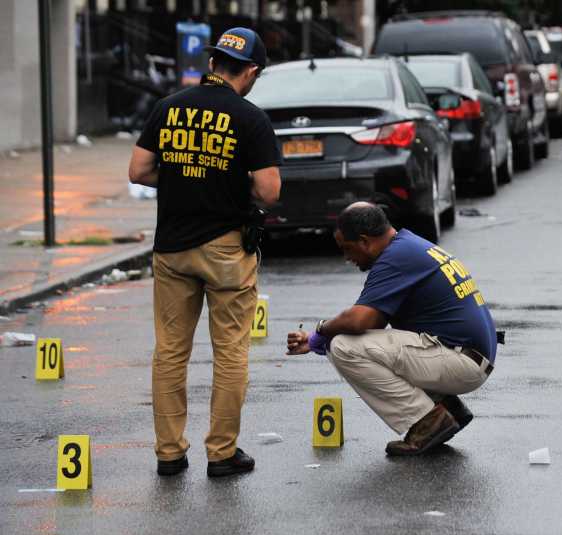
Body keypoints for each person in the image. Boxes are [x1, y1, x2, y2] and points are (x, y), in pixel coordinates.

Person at [128, 27, 282, 477]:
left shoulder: (168, 107)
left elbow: (139, 171)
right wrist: (228, 181)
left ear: (213, 63)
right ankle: (221, 452)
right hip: (225, 249)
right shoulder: (250, 118)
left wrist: (182, 177)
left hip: (172, 249)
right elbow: (269, 192)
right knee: (230, 351)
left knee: (170, 352)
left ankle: (169, 453)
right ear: (250, 72)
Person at [286, 203, 497, 456]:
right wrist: (316, 340)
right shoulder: (408, 245)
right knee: (354, 341)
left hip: (462, 362)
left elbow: (359, 321)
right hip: (468, 357)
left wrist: (321, 330)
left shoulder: (396, 258)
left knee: (343, 346)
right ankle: (449, 408)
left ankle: (427, 423)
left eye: (347, 248)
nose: (346, 258)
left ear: (364, 241)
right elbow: (373, 322)